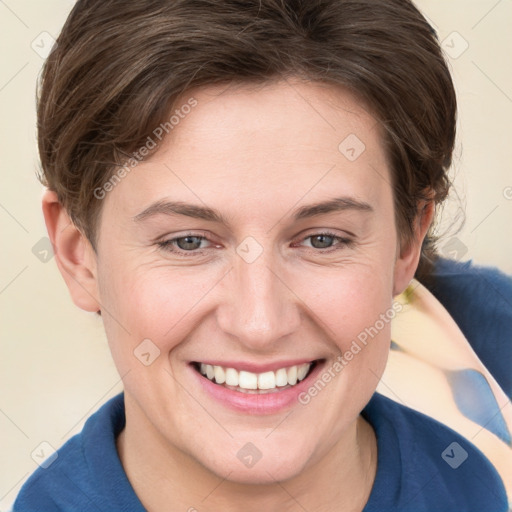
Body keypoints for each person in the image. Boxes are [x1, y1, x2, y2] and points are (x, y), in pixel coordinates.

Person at [12, 0, 510, 510]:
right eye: (188, 241)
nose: (259, 324)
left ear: (407, 242)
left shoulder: (477, 489)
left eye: (322, 239)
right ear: (79, 257)